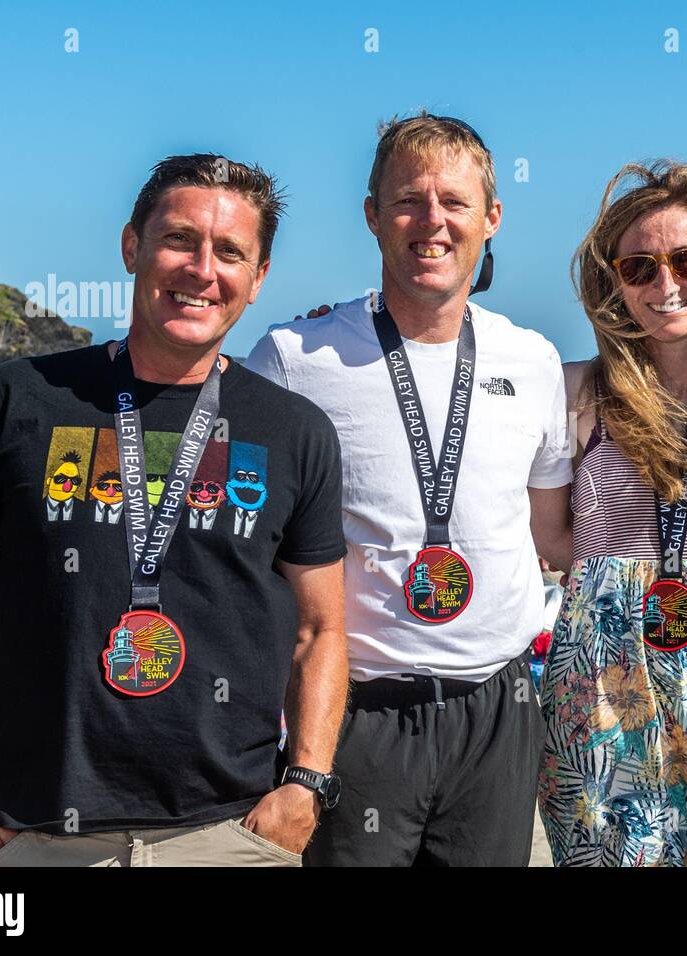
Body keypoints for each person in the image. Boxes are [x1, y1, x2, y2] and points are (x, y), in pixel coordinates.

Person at [0, 154, 348, 867]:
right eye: (179, 239)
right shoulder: (15, 401)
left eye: (230, 251)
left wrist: (306, 787)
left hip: (227, 837)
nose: (202, 269)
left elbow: (322, 629)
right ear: (132, 246)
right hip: (32, 833)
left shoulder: (295, 432)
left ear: (258, 278)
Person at [246, 113, 571, 866]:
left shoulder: (534, 361)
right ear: (372, 216)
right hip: (356, 715)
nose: (432, 222)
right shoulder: (295, 358)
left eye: (454, 202)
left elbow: (552, 532)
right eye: (408, 201)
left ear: (491, 217)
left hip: (499, 710)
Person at [537, 161, 687, 866]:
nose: (666, 284)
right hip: (600, 678)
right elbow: (549, 536)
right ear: (613, 282)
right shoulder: (574, 392)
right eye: (640, 266)